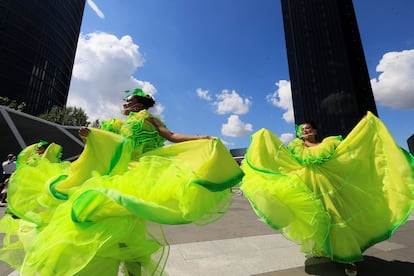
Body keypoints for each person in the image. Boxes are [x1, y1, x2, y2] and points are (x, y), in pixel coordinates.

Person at [0, 88, 244, 275]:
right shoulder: (117, 125)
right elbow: (109, 148)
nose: (124, 105)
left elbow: (170, 136)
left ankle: (132, 265)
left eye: (128, 102)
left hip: (141, 173)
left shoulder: (147, 119)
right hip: (117, 173)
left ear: (137, 104)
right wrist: (92, 139)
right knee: (106, 217)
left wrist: (200, 137)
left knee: (129, 223)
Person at [240, 111, 414, 276]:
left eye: (308, 128)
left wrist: (364, 125)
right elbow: (280, 158)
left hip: (329, 186)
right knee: (318, 218)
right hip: (309, 188)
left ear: (314, 131)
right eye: (302, 129)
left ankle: (348, 259)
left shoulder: (327, 144)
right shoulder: (295, 148)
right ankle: (322, 249)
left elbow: (348, 149)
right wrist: (264, 136)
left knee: (337, 217)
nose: (305, 131)